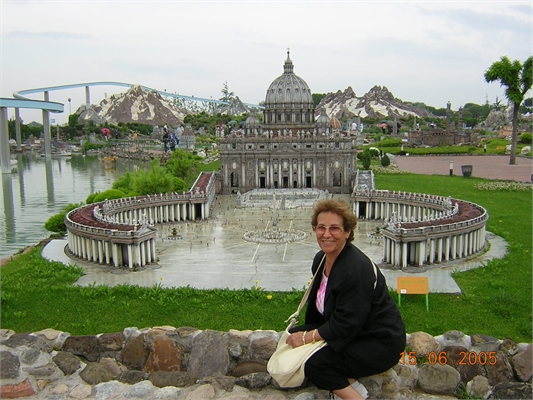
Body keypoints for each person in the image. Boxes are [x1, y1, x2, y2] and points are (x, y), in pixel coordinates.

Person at [286, 199, 405, 400]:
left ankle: (357, 397)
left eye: (334, 229)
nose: (326, 234)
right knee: (292, 336)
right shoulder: (321, 259)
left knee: (313, 364)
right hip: (355, 330)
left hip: (378, 341)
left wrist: (308, 339)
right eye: (321, 228)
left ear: (347, 232)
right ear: (315, 229)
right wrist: (305, 333)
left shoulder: (355, 269)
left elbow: (346, 323)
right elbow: (318, 310)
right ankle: (351, 382)